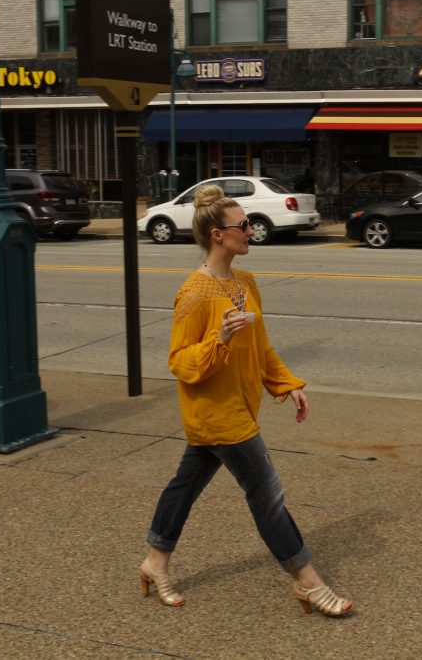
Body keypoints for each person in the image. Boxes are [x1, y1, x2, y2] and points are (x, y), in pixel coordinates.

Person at [138, 184, 353, 618]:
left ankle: (154, 561)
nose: (251, 231)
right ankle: (307, 581)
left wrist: (286, 383)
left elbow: (261, 346)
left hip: (234, 406)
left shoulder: (245, 282)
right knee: (267, 492)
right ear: (218, 234)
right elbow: (179, 361)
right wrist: (216, 341)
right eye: (243, 225)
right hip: (219, 414)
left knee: (185, 486)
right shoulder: (194, 294)